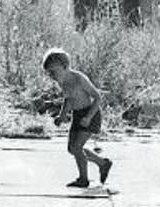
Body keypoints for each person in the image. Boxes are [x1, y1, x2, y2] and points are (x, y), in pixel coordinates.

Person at [42, 48, 112, 187]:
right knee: (72, 149)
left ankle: (83, 179)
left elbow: (97, 97)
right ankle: (102, 163)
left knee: (77, 147)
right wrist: (62, 116)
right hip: (77, 115)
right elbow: (68, 100)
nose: (51, 76)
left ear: (64, 66)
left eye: (53, 72)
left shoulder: (79, 78)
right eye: (49, 73)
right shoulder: (62, 81)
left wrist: (88, 117)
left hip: (91, 114)